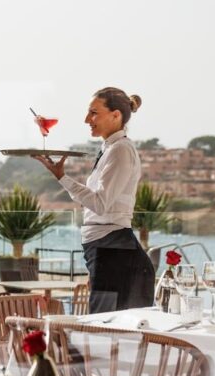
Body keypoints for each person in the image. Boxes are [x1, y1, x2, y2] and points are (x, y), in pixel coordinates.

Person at [32, 87, 154, 313]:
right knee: (106, 329)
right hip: (108, 248)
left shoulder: (120, 150)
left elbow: (100, 204)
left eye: (94, 113)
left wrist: (62, 178)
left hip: (113, 248)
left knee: (104, 330)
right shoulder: (109, 149)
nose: (87, 119)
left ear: (116, 115)